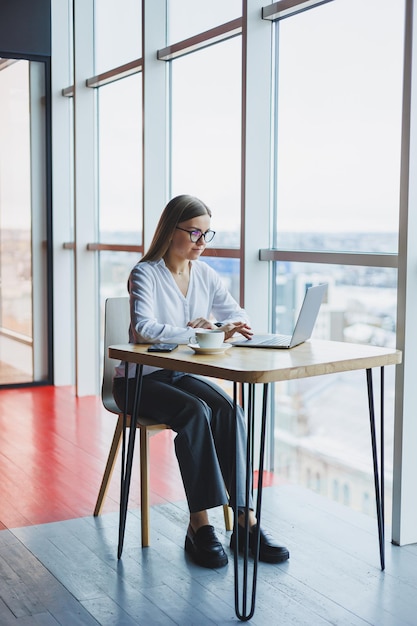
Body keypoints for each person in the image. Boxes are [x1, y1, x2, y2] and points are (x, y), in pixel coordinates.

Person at [112, 194, 289, 569]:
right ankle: (199, 525)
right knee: (195, 411)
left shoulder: (206, 275)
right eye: (194, 232)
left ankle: (245, 521)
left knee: (228, 409)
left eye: (207, 234)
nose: (201, 242)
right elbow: (143, 330)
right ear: (170, 230)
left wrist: (221, 326)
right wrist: (193, 334)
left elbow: (236, 316)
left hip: (179, 374)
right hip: (138, 382)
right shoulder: (146, 272)